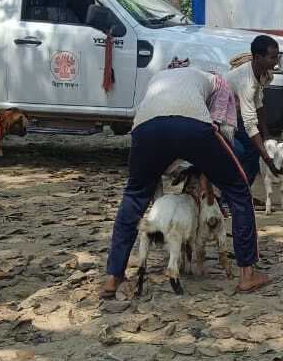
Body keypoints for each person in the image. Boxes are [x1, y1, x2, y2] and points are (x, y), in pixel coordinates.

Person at [100, 67, 270, 298]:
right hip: (193, 126)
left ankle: (113, 276)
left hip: (146, 128)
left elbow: (152, 116)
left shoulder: (159, 77)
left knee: (135, 194)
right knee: (239, 189)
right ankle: (247, 274)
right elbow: (221, 125)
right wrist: (211, 166)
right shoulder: (217, 81)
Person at [226, 35, 282, 188]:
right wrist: (267, 158)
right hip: (223, 120)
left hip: (237, 116)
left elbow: (258, 103)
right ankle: (229, 198)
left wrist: (266, 135)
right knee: (241, 152)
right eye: (272, 57)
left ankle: (244, 194)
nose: (276, 61)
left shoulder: (263, 73)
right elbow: (250, 122)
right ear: (258, 57)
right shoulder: (245, 81)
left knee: (252, 151)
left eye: (277, 56)